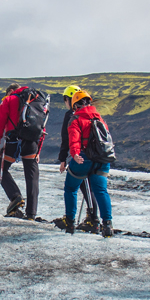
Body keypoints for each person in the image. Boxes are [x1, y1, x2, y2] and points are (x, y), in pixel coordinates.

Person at [61, 90, 113, 237]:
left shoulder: (75, 118)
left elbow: (74, 139)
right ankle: (107, 225)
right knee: (101, 191)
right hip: (102, 160)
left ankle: (70, 223)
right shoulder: (99, 118)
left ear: (75, 105)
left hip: (83, 158)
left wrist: (75, 154)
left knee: (71, 188)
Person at [0, 83, 44, 219]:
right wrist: (39, 149)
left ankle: (15, 196)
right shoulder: (37, 100)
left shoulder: (9, 100)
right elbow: (41, 127)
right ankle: (31, 213)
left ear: (10, 91)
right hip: (32, 142)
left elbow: (0, 121)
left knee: (1, 169)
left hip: (14, 141)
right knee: (32, 177)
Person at [54, 85, 99, 233]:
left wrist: (63, 159)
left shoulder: (71, 115)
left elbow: (66, 138)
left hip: (80, 157)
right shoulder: (90, 112)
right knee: (89, 187)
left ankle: (84, 220)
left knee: (79, 187)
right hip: (95, 155)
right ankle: (93, 219)